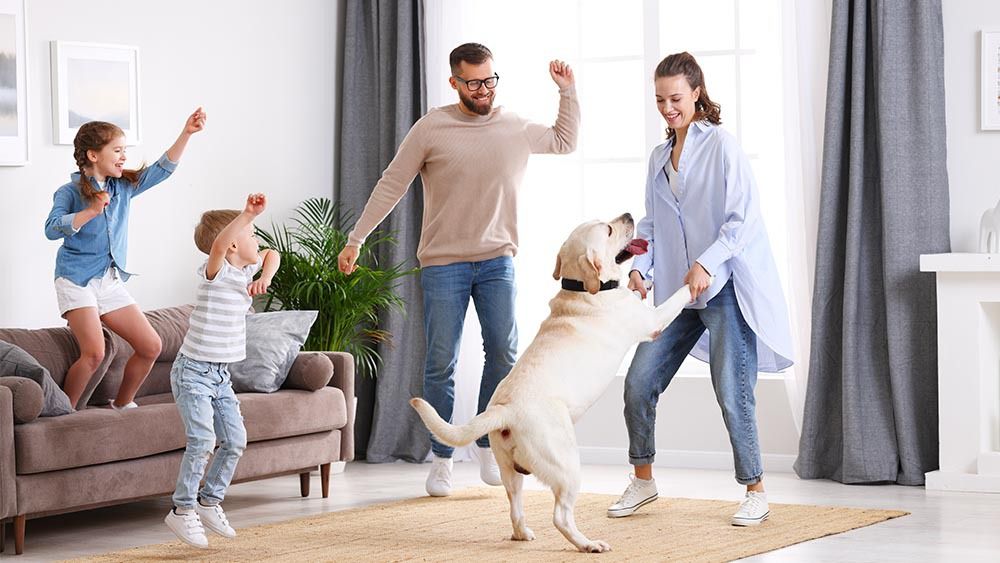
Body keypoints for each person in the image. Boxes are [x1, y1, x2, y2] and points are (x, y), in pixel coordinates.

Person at [337, 42, 580, 497]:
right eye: (474, 82)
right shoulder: (433, 126)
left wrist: (567, 92)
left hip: (497, 262)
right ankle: (443, 460)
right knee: (440, 362)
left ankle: (489, 447)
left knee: (504, 357)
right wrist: (356, 239)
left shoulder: (513, 126)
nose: (484, 89)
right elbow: (392, 182)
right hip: (443, 264)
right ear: (455, 83)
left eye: (490, 79)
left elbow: (565, 142)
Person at [607, 52, 793, 526]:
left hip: (723, 289)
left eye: (675, 98)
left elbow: (741, 221)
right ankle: (643, 481)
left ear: (696, 94)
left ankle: (756, 490)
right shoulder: (657, 158)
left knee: (733, 392)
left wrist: (706, 263)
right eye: (659, 99)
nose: (668, 107)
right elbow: (649, 222)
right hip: (676, 294)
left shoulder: (722, 148)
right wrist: (639, 267)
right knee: (638, 383)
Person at [44, 109, 206, 411]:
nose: (123, 157)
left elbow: (162, 169)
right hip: (75, 279)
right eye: (117, 150)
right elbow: (51, 229)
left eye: (124, 151)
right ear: (93, 155)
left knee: (151, 345)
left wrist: (186, 133)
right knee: (94, 353)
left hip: (109, 279)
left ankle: (122, 404)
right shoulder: (68, 192)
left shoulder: (123, 187)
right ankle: (62, 415)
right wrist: (89, 212)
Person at [163, 193, 280, 548]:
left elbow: (274, 255)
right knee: (202, 440)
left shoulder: (246, 272)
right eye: (251, 234)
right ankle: (182, 511)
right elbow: (217, 245)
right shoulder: (215, 273)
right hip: (193, 373)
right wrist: (246, 214)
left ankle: (209, 501)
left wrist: (265, 278)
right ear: (231, 245)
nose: (257, 240)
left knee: (235, 441)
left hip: (220, 376)